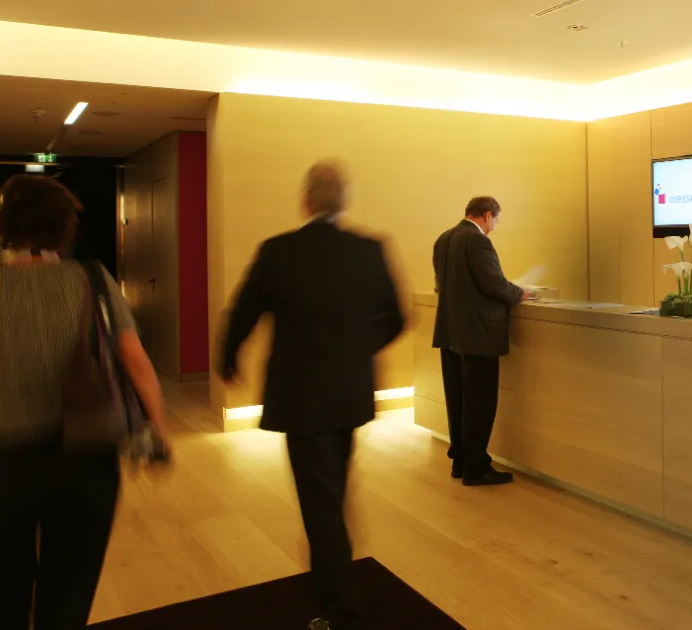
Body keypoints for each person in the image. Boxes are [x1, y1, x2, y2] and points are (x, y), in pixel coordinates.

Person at [220, 162, 404, 630]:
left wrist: (228, 358)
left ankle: (340, 607)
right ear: (344, 202)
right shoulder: (369, 250)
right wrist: (357, 351)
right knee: (333, 487)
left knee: (320, 500)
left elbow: (242, 312)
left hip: (300, 396)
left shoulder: (279, 252)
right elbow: (397, 318)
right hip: (350, 393)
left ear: (306, 201)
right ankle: (334, 574)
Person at [0, 174, 171, 630]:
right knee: (69, 587)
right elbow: (134, 360)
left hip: (2, 463)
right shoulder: (91, 278)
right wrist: (157, 429)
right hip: (86, 455)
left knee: (3, 588)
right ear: (64, 227)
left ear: (3, 226)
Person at [432, 196, 531, 487]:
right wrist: (520, 294)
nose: (494, 227)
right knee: (480, 402)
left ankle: (461, 461)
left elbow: (443, 284)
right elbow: (493, 283)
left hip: (450, 332)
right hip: (478, 334)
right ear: (487, 215)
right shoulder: (477, 241)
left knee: (458, 400)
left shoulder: (443, 239)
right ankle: (476, 467)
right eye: (495, 221)